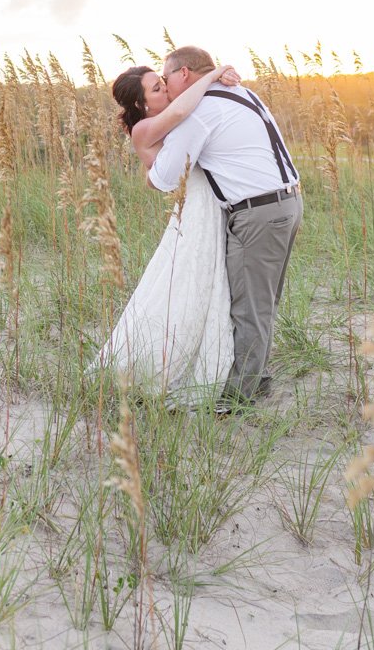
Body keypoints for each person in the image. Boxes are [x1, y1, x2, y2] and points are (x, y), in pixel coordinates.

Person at [148, 46, 302, 411]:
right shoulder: (241, 92)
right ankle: (256, 375)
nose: (165, 86)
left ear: (183, 74)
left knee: (249, 306)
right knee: (262, 300)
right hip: (286, 203)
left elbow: (167, 178)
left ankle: (239, 397)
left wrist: (150, 166)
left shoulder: (200, 111)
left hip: (258, 212)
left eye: (165, 78)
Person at [92, 60, 241, 406]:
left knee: (203, 281)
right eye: (156, 89)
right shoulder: (144, 129)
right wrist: (214, 74)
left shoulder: (163, 117)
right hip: (196, 207)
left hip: (205, 201)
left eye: (162, 82)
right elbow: (184, 109)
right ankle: (161, 364)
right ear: (142, 106)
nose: (165, 89)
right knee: (188, 281)